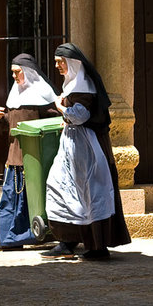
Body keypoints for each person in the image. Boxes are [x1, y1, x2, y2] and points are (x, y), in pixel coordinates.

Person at [42, 43, 132, 260]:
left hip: (88, 149)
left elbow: (80, 116)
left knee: (90, 194)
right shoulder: (74, 84)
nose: (57, 66)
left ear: (73, 63)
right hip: (73, 147)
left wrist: (60, 106)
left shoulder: (84, 86)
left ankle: (98, 247)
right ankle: (68, 241)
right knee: (62, 188)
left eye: (60, 62)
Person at [0, 53, 58, 250]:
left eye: (17, 72)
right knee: (11, 199)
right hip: (13, 158)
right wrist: (1, 117)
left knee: (31, 200)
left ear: (28, 72)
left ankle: (32, 236)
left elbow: (54, 122)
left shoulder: (43, 95)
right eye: (12, 73)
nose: (14, 77)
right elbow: (14, 125)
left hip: (33, 158)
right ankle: (9, 239)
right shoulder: (16, 95)